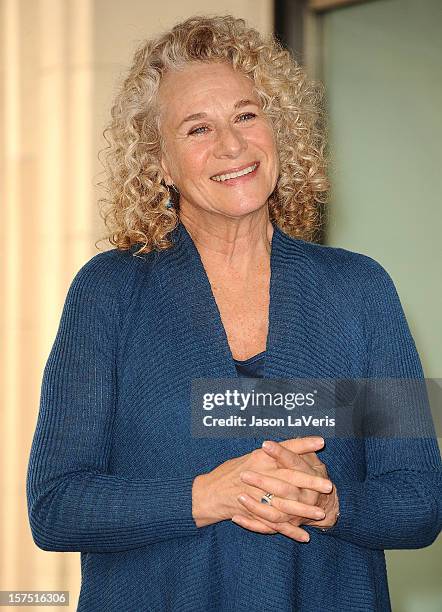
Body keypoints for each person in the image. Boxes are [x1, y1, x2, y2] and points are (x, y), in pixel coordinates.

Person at [26, 14, 441, 612]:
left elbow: (421, 500)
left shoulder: (360, 290)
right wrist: (207, 494)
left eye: (247, 115)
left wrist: (331, 505)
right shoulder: (108, 293)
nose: (231, 145)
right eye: (198, 129)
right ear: (160, 164)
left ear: (279, 131)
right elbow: (56, 507)